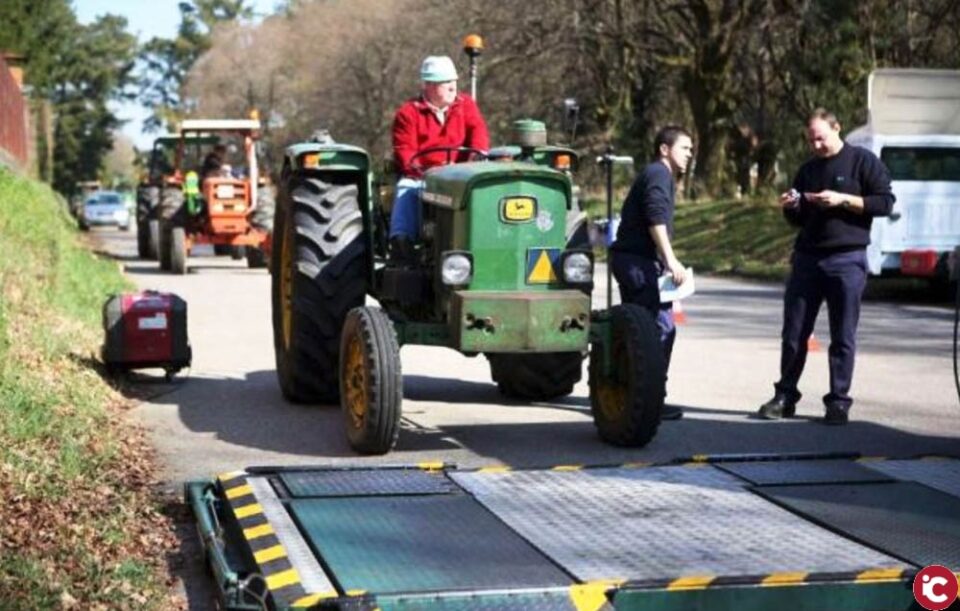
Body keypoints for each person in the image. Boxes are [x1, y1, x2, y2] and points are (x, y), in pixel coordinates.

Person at [757, 108, 894, 425]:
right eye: (810, 140)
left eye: (820, 137)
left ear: (837, 128)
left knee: (842, 335)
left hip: (847, 259)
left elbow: (885, 203)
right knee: (793, 333)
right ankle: (785, 396)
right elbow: (798, 218)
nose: (816, 145)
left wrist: (843, 200)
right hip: (807, 258)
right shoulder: (808, 170)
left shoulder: (863, 161)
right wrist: (792, 206)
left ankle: (838, 402)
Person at [610, 125, 694, 421]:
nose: (689, 154)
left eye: (691, 150)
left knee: (651, 330)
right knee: (656, 330)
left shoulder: (662, 176)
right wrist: (670, 260)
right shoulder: (659, 173)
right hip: (636, 262)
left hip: (639, 261)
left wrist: (665, 259)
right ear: (664, 149)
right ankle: (646, 401)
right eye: (684, 148)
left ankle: (646, 398)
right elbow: (655, 217)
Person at [389, 55, 489, 259]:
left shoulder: (466, 105)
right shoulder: (408, 114)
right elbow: (405, 151)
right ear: (430, 86)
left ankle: (486, 240)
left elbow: (478, 134)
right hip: (422, 176)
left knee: (484, 190)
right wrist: (422, 172)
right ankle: (402, 241)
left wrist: (474, 161)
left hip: (461, 175)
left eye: (454, 81)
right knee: (406, 188)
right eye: (447, 83)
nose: (453, 87)